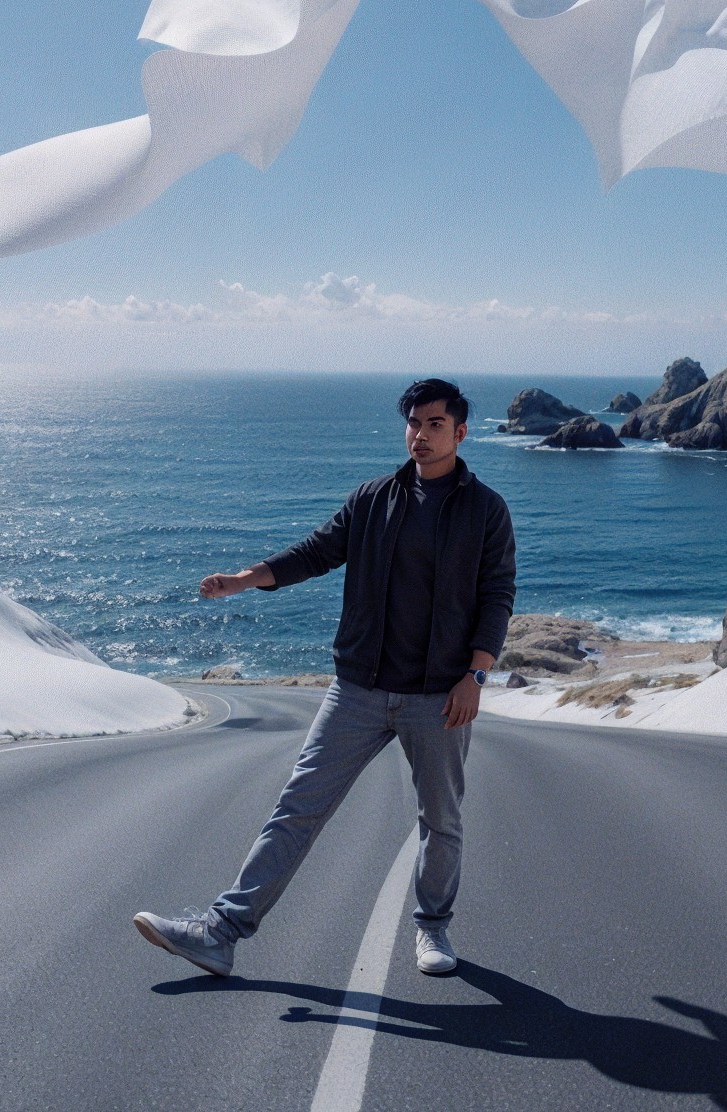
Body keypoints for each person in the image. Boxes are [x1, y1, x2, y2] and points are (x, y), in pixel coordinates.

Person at [134, 378, 516, 982]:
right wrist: (245, 578)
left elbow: (497, 597)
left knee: (441, 821)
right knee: (297, 809)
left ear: (461, 432)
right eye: (414, 423)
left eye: (435, 424)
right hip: (359, 689)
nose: (421, 434)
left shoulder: (485, 510)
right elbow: (317, 551)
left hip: (439, 695)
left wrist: (475, 674)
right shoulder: (373, 499)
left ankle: (432, 926)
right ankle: (221, 933)